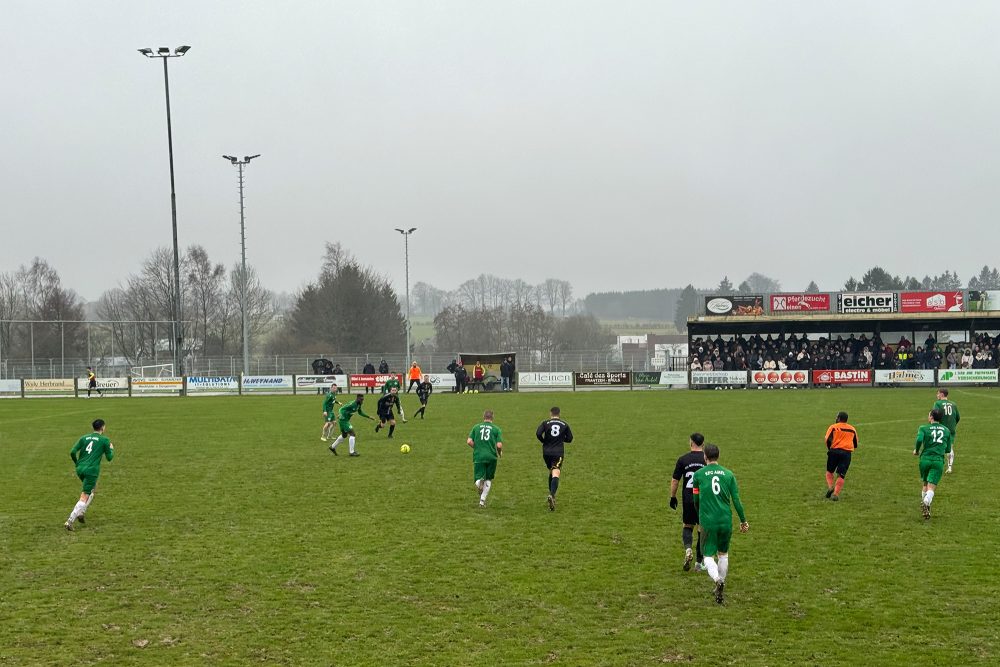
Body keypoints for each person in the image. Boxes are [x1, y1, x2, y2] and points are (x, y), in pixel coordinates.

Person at [691, 444, 749, 604]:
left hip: (708, 521)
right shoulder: (729, 474)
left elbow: (695, 499)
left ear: (705, 457)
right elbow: (736, 500)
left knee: (707, 555)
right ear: (718, 456)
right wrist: (743, 520)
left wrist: (699, 514)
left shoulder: (698, 475)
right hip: (725, 520)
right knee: (723, 554)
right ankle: (721, 583)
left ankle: (717, 579)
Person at [64, 419, 115, 530]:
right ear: (102, 427)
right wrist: (112, 449)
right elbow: (109, 458)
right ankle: (70, 521)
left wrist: (77, 463)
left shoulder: (84, 438)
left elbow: (72, 452)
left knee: (93, 488)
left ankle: (81, 513)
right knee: (85, 495)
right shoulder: (104, 440)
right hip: (91, 470)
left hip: (80, 468)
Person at [670, 433, 707, 572]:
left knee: (688, 525)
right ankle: (698, 563)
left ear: (691, 443)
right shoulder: (707, 460)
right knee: (701, 528)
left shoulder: (683, 459)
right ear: (703, 444)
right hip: (703, 499)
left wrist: (672, 497)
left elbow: (675, 480)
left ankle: (688, 549)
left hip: (688, 498)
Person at [913, 409, 953, 520]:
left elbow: (919, 439)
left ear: (931, 417)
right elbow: (948, 449)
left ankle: (926, 508)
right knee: (932, 486)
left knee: (925, 483)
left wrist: (916, 450)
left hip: (925, 459)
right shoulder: (946, 430)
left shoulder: (923, 428)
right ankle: (926, 502)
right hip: (937, 460)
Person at [535, 406, 574, 511]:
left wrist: (544, 441)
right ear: (559, 414)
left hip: (546, 452)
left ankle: (551, 496)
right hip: (558, 452)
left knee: (551, 471)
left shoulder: (545, 423)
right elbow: (570, 439)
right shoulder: (564, 424)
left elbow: (538, 433)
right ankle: (552, 495)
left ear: (550, 414)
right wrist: (561, 439)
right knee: (556, 472)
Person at [467, 410, 503, 508]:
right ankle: (482, 501)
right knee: (488, 479)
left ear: (483, 417)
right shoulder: (496, 429)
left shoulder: (476, 427)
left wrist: (477, 447)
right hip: (491, 457)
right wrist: (499, 453)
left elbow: (469, 441)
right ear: (493, 417)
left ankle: (479, 484)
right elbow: (499, 445)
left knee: (477, 479)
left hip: (479, 456)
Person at [824, 412, 858, 501]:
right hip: (846, 453)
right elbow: (855, 443)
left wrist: (830, 449)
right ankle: (835, 494)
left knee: (829, 471)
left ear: (838, 418)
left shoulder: (833, 427)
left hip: (834, 451)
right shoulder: (852, 429)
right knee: (841, 475)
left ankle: (831, 487)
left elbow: (827, 439)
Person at [932, 389, 960, 473]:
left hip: (941, 428)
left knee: (937, 446)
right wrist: (953, 425)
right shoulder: (953, 404)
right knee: (950, 447)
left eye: (938, 393)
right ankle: (950, 467)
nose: (937, 395)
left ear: (942, 394)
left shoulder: (937, 403)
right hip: (951, 429)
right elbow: (958, 417)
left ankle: (936, 465)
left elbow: (935, 415)